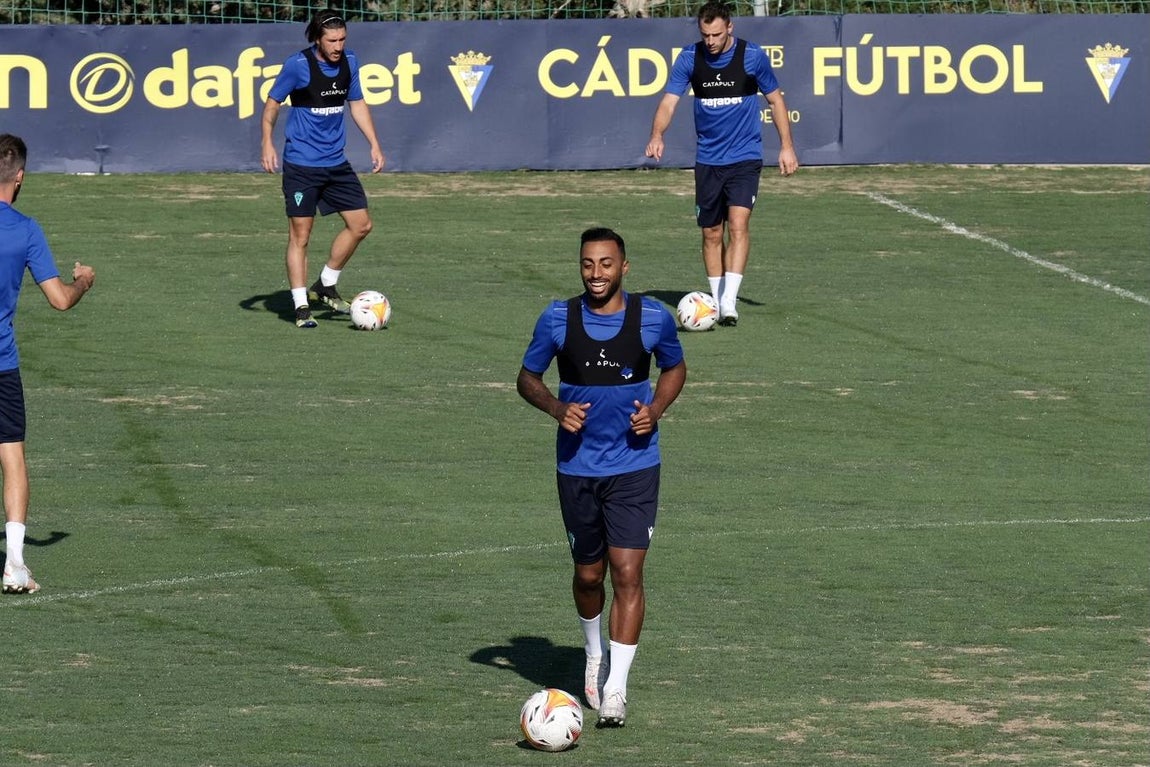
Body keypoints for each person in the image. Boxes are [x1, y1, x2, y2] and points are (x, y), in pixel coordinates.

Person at [516, 228, 687, 727]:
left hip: (635, 466)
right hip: (577, 469)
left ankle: (616, 689)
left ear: (624, 267)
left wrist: (656, 408)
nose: (596, 274)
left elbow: (675, 368)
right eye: (588, 264)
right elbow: (527, 377)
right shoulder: (557, 318)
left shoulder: (653, 316)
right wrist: (556, 407)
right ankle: (594, 654)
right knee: (590, 575)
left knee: (629, 573)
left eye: (606, 264)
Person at [645, 1, 799, 327]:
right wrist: (657, 135)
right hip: (708, 160)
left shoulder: (752, 56)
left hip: (745, 157)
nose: (711, 41)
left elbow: (776, 100)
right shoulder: (690, 58)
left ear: (730, 28)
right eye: (705, 35)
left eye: (716, 34)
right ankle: (714, 301)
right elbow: (669, 102)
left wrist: (786, 147)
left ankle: (728, 302)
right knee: (712, 233)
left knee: (739, 224)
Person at [0, 134, 96, 594]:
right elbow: (59, 301)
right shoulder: (26, 230)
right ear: (19, 177)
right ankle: (15, 563)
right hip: (2, 365)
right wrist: (83, 283)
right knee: (11, 456)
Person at [260, 8, 385, 329]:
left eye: (342, 39)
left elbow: (356, 102)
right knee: (301, 235)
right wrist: (267, 143)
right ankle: (302, 307)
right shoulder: (297, 66)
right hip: (302, 165)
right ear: (317, 38)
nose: (338, 46)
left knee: (361, 225)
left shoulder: (350, 63)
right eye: (332, 40)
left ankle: (325, 284)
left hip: (336, 163)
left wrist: (373, 142)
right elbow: (272, 103)